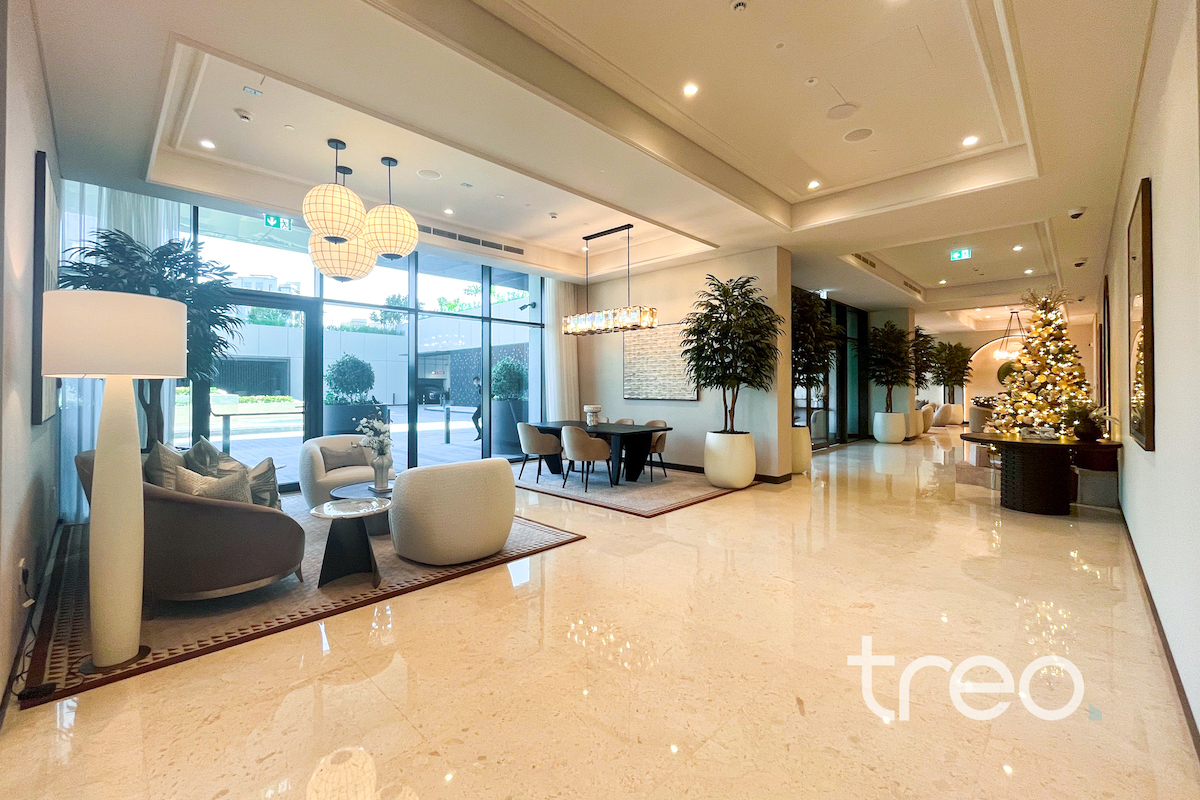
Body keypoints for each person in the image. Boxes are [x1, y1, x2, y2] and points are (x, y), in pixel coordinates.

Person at [471, 376, 482, 440]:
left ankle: (481, 432)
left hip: (482, 406)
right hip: (479, 406)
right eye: (475, 381)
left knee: (474, 418)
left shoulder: (480, 388)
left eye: (477, 381)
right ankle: (481, 432)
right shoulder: (477, 388)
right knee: (475, 418)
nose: (476, 382)